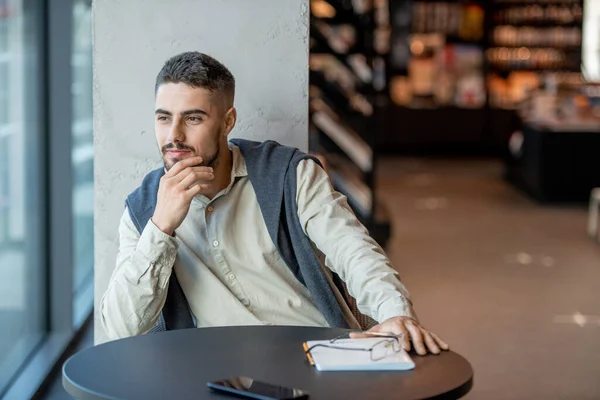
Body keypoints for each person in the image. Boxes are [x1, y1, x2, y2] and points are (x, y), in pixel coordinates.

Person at [100, 51, 449, 356]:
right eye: (163, 118)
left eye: (193, 118)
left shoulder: (288, 174)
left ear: (228, 122)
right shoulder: (143, 209)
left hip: (316, 356)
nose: (174, 135)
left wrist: (394, 312)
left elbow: (354, 250)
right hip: (219, 374)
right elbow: (120, 328)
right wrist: (161, 227)